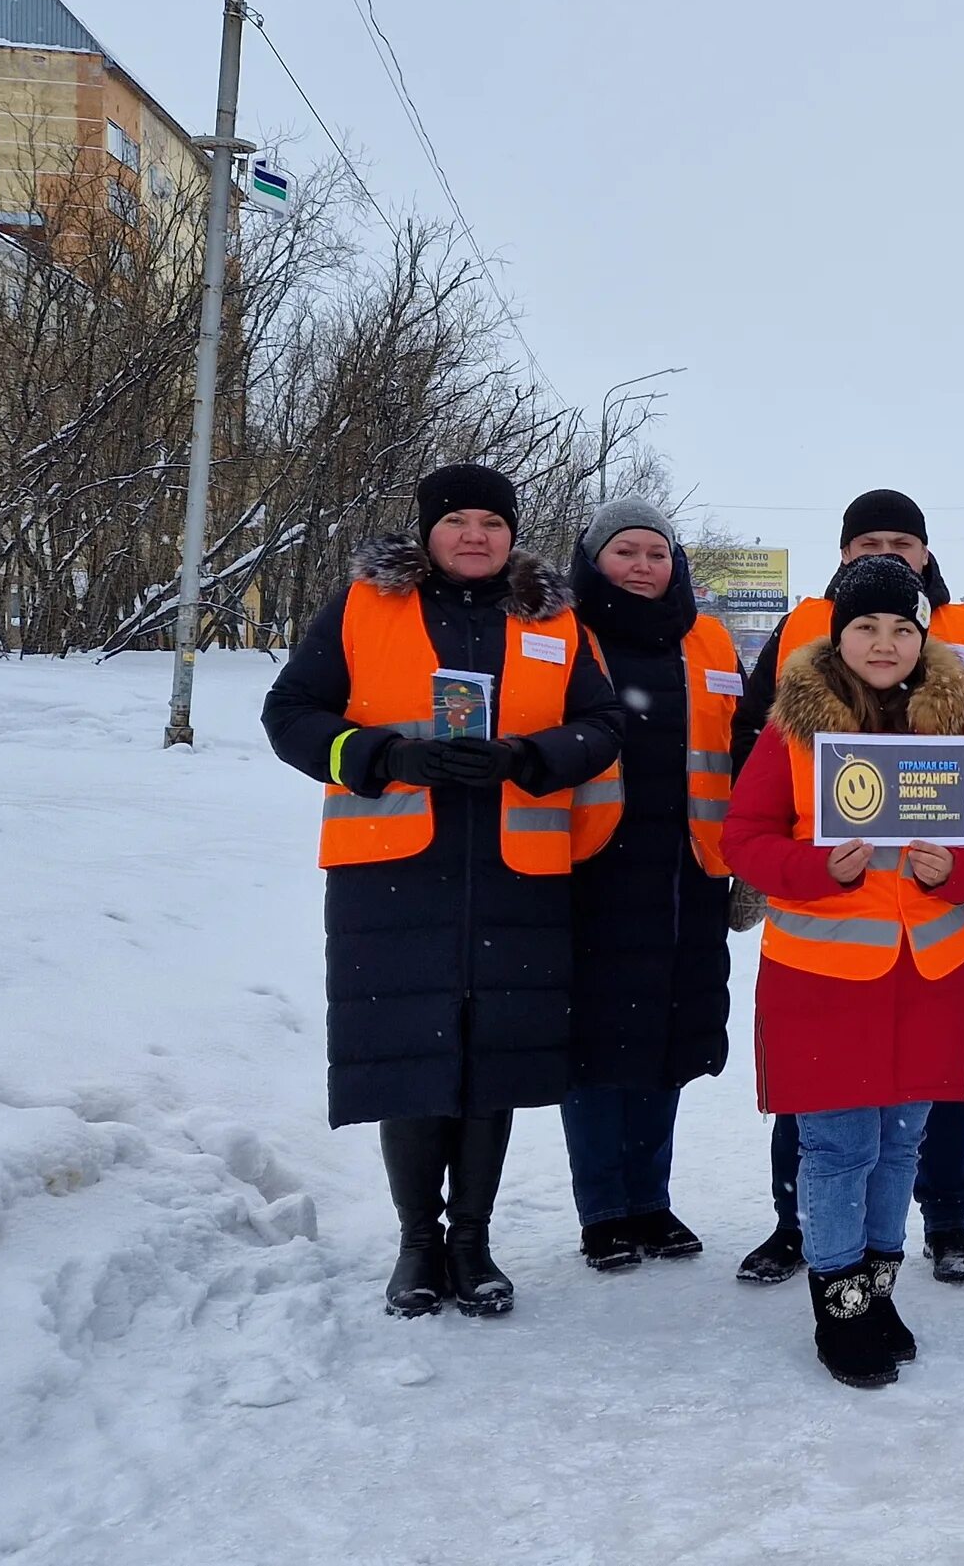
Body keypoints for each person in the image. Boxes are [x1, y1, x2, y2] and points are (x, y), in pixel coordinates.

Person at [261, 463, 624, 1318]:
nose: (474, 535)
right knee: (414, 1057)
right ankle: (418, 1243)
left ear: (512, 534)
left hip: (515, 878)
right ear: (427, 531)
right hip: (394, 874)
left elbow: (603, 726)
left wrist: (528, 760)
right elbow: (291, 714)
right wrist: (386, 757)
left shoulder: (555, 618)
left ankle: (473, 1240)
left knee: (488, 1060)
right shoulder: (362, 607)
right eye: (457, 520)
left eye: (491, 523)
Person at [723, 555, 964, 1386]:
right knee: (838, 1145)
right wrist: (819, 867)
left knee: (900, 1142)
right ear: (837, 635)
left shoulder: (957, 730)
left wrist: (951, 873)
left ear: (923, 638)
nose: (885, 643)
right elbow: (742, 839)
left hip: (927, 970)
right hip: (823, 974)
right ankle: (837, 1304)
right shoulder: (793, 729)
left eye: (901, 628)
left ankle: (878, 1290)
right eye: (866, 627)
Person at [563, 499, 740, 1272]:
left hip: (686, 870)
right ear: (594, 558)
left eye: (656, 553)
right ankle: (603, 1208)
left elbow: (742, 741)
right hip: (590, 868)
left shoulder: (708, 637)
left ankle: (651, 1199)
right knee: (597, 1042)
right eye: (625, 551)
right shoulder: (563, 631)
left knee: (668, 1038)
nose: (642, 565)